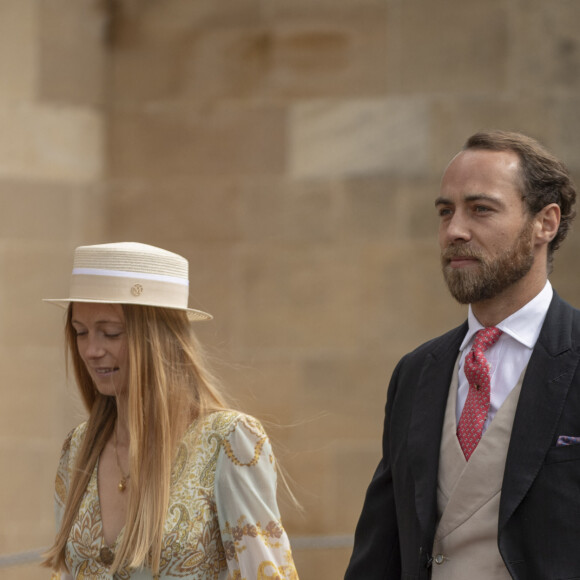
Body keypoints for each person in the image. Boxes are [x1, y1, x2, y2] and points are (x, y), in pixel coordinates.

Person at [344, 130, 580, 579]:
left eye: (481, 209)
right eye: (445, 211)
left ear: (544, 223)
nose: (455, 231)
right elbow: (381, 548)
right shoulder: (415, 373)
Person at [43, 242, 299, 579]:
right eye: (80, 332)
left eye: (111, 332)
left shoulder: (229, 443)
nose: (91, 350)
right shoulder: (77, 448)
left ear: (160, 337)